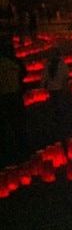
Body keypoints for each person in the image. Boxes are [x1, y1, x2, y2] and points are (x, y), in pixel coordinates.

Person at [0, 36, 28, 165]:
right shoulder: (15, 62)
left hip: (4, 96)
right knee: (17, 123)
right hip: (15, 95)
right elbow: (24, 73)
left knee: (4, 124)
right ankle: (22, 147)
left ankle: (6, 149)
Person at [42, 47, 70, 126]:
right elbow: (66, 76)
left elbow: (44, 76)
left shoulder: (49, 64)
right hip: (59, 86)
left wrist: (43, 84)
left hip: (52, 87)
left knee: (55, 102)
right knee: (58, 101)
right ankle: (60, 116)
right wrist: (66, 84)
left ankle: (57, 116)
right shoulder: (62, 64)